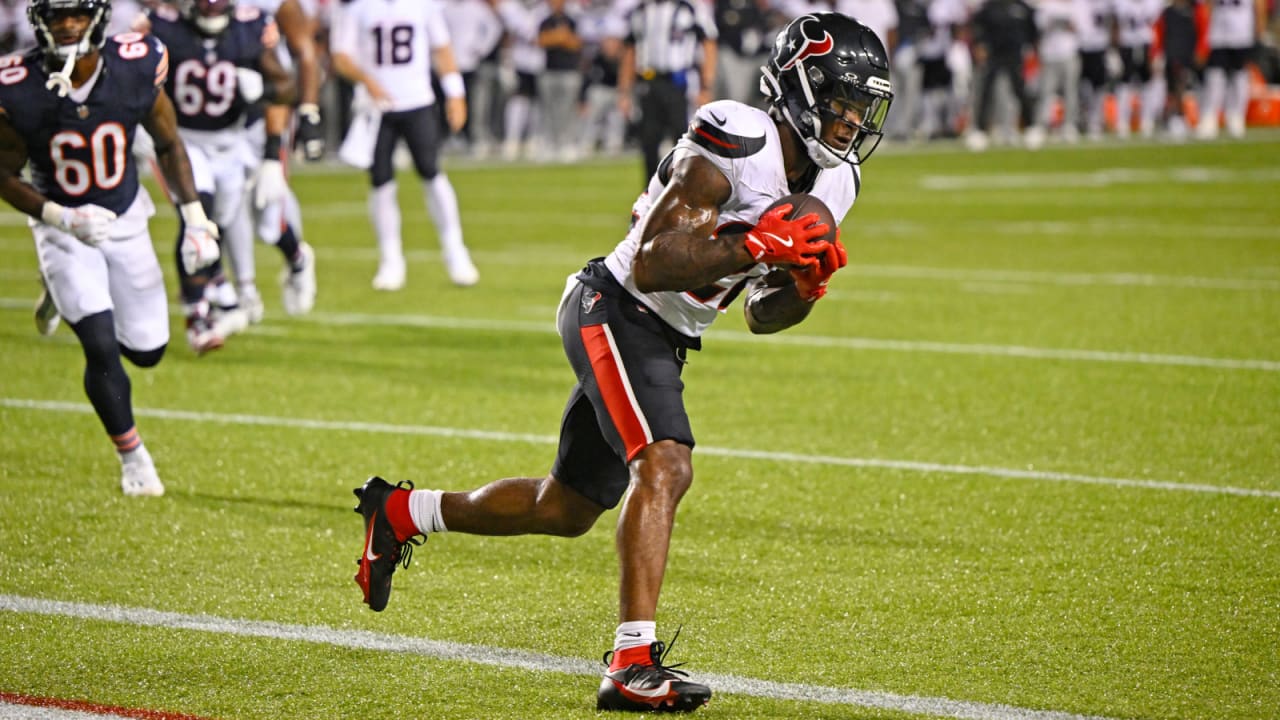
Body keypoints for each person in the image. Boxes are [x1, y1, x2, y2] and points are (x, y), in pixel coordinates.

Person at [349, 11, 892, 713]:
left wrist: (806, 284)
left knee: (567, 507)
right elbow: (655, 260)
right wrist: (756, 245)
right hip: (614, 304)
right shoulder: (737, 140)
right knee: (665, 463)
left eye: (862, 108)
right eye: (842, 104)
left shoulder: (836, 183)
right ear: (797, 87)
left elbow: (761, 315)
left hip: (663, 332)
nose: (851, 123)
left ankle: (399, 512)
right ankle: (632, 664)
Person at [1, 0, 220, 495]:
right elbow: (2, 172)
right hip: (61, 225)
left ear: (98, 17)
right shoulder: (18, 84)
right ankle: (133, 457)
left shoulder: (136, 64)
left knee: (147, 352)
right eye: (57, 16)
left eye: (77, 13)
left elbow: (167, 142)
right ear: (39, 22)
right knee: (100, 346)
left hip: (126, 218)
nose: (68, 23)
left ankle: (61, 290)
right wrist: (60, 217)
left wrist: (196, 219)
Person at [146, 0, 297, 353]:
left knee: (222, 223)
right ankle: (197, 313)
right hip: (183, 141)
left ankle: (222, 293)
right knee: (199, 215)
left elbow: (286, 87)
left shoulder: (251, 28)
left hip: (231, 143)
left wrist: (263, 89)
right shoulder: (162, 29)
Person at [331, 0, 479, 290]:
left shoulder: (422, 5)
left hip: (417, 101)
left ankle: (455, 251)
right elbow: (341, 57)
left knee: (431, 173)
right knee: (380, 180)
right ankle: (390, 259)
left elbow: (442, 49)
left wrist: (455, 94)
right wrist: (366, 80)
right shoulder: (357, 7)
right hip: (377, 107)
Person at [617, 0, 718, 182]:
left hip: (680, 82)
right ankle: (651, 194)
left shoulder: (690, 8)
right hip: (648, 81)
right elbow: (630, 51)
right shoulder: (640, 11)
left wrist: (706, 86)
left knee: (684, 140)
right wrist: (624, 92)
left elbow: (709, 44)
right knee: (649, 140)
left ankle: (685, 190)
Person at [1196, 0, 1266, 139]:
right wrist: (1204, 32)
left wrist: (1259, 29)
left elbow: (1259, 5)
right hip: (1217, 35)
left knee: (1239, 76)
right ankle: (1210, 116)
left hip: (1242, 35)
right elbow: (1206, 7)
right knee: (1214, 77)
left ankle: (1236, 116)